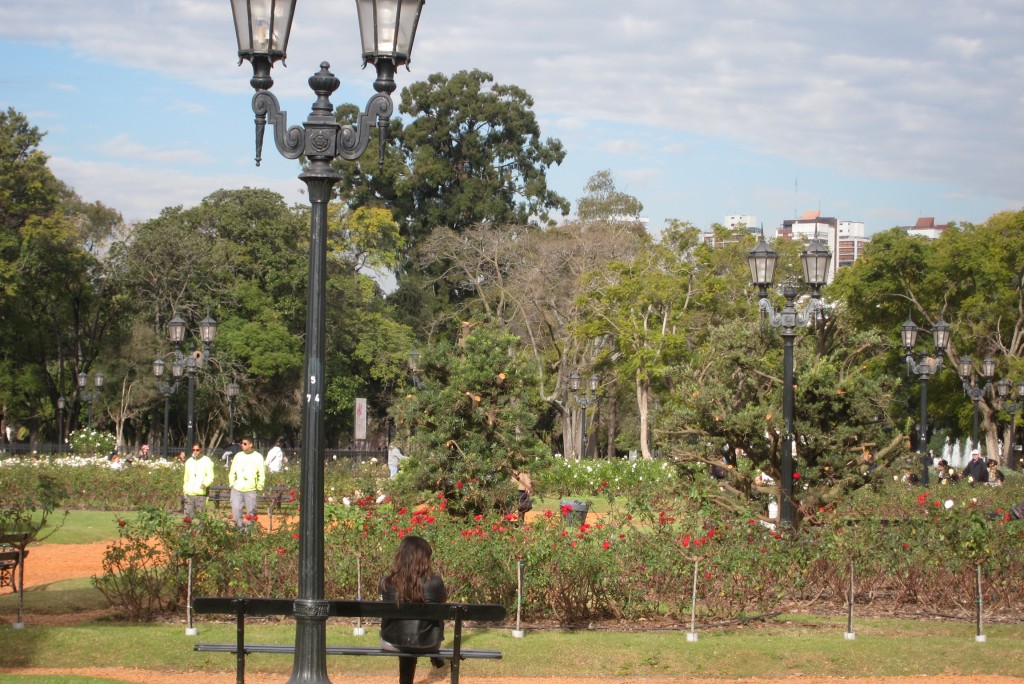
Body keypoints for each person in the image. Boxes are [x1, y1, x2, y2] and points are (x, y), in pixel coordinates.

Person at [379, 535, 448, 683]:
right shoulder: (435, 582)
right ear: (425, 559)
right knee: (424, 626)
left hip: (391, 642)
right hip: (429, 643)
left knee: (404, 630)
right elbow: (442, 602)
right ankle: (434, 656)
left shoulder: (386, 582)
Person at [228, 438, 265, 530]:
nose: (242, 445)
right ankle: (238, 530)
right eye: (242, 443)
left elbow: (261, 473)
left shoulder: (258, 457)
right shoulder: (238, 456)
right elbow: (232, 471)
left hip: (251, 489)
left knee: (251, 513)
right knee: (236, 510)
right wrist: (232, 483)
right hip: (237, 488)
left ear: (250, 445)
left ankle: (249, 532)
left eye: (245, 444)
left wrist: (259, 485)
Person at [182, 443, 215, 519]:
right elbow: (186, 477)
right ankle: (188, 530)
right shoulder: (189, 461)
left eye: (197, 450)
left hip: (200, 493)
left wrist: (205, 484)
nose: (195, 451)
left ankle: (200, 531)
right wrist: (184, 490)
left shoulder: (207, 461)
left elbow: (210, 476)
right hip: (189, 492)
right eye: (193, 450)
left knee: (200, 517)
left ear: (201, 450)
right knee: (187, 516)